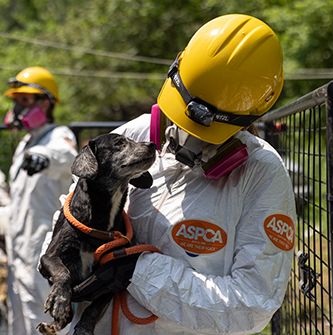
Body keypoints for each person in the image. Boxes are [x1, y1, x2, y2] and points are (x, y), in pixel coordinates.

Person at [48, 14, 296, 335]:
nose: (181, 136)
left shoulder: (260, 173)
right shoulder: (139, 134)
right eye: (181, 114)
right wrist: (63, 273)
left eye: (205, 131)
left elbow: (252, 305)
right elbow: (70, 212)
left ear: (245, 119)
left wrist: (139, 272)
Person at [3, 66, 78, 335]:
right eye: (16, 101)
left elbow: (67, 156)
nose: (18, 108)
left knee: (43, 317)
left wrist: (45, 157)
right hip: (18, 250)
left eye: (25, 101)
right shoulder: (25, 143)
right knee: (18, 317)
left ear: (45, 102)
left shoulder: (58, 134)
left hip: (43, 251)